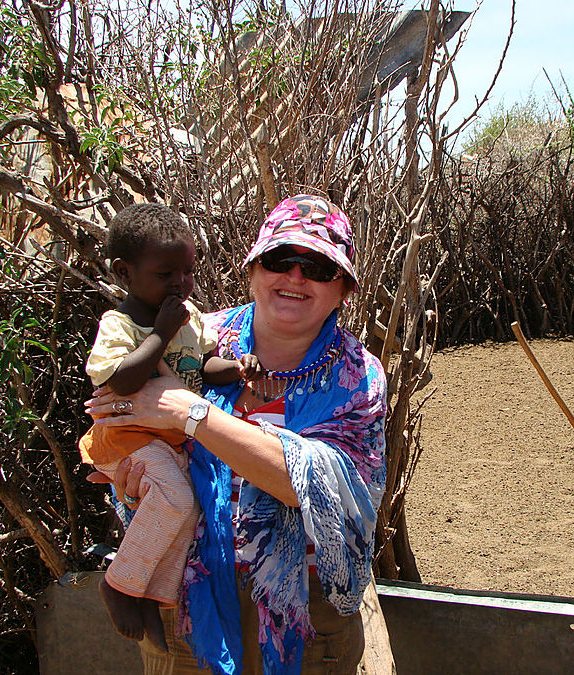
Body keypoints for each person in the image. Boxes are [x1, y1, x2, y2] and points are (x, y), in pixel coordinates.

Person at [85, 194, 387, 675]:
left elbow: (318, 489)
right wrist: (125, 466)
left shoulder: (356, 376)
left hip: (306, 617)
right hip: (188, 599)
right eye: (279, 259)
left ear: (343, 289)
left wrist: (191, 413)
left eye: (318, 267)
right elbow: (120, 411)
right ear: (253, 269)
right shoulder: (199, 335)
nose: (295, 276)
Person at [80, 203, 259, 651]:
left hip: (169, 439)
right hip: (129, 435)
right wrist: (160, 331)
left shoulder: (189, 316)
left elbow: (202, 367)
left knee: (187, 512)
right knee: (178, 501)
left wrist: (236, 368)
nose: (180, 283)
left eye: (187, 272)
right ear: (125, 272)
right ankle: (119, 584)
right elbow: (121, 380)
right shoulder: (119, 324)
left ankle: (151, 597)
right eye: (165, 274)